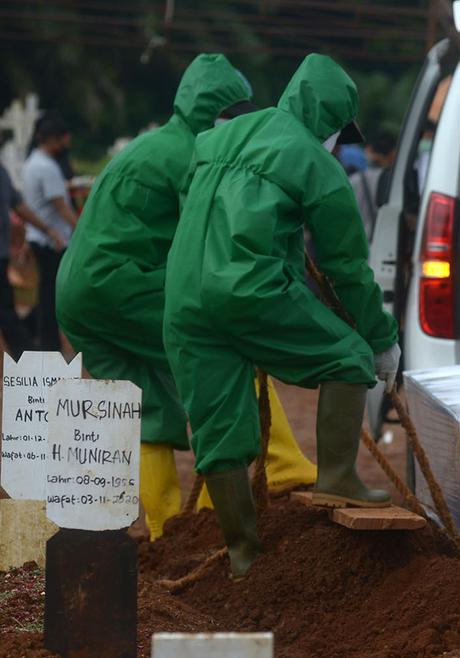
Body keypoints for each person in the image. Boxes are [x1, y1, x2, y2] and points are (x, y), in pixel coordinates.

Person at [56, 54, 321, 541]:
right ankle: (275, 468)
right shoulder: (195, 154)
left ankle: (166, 534)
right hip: (124, 284)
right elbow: (214, 242)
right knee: (226, 349)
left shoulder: (154, 144)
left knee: (147, 406)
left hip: (78, 294)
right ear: (219, 112)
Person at [164, 54, 400, 578]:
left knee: (218, 426)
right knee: (349, 358)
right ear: (333, 123)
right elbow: (347, 268)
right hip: (247, 290)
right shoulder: (319, 165)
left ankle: (245, 556)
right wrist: (381, 339)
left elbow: (207, 208)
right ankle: (338, 477)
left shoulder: (219, 136)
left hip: (182, 297)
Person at [21, 114, 76, 352]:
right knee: (52, 296)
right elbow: (60, 207)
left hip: (39, 237)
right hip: (53, 239)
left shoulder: (33, 163)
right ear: (53, 139)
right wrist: (82, 230)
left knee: (46, 291)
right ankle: (48, 344)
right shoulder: (47, 167)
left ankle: (43, 339)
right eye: (64, 139)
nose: (66, 144)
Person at [0, 165, 62, 356]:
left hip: (1, 254)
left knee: (6, 309)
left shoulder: (2, 171)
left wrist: (46, 229)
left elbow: (18, 205)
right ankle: (29, 358)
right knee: (5, 311)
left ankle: (28, 359)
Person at [350, 130, 397, 241]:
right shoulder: (395, 182)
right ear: (393, 154)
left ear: (369, 151)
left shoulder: (353, 180)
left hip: (358, 244)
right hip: (385, 245)